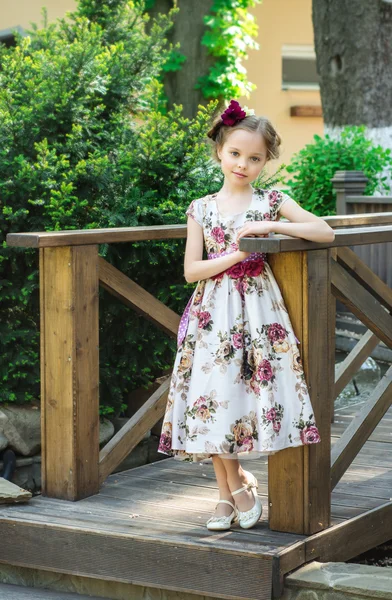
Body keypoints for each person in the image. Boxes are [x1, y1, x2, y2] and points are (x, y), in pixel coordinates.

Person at [157, 100, 335, 531]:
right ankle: (232, 491)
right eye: (235, 153)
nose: (243, 163)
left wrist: (272, 228)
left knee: (243, 394)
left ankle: (231, 492)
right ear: (220, 151)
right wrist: (238, 253)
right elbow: (191, 270)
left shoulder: (272, 201)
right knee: (210, 395)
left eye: (254, 158)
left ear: (265, 162)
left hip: (259, 311)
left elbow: (324, 231)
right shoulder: (200, 208)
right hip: (212, 312)